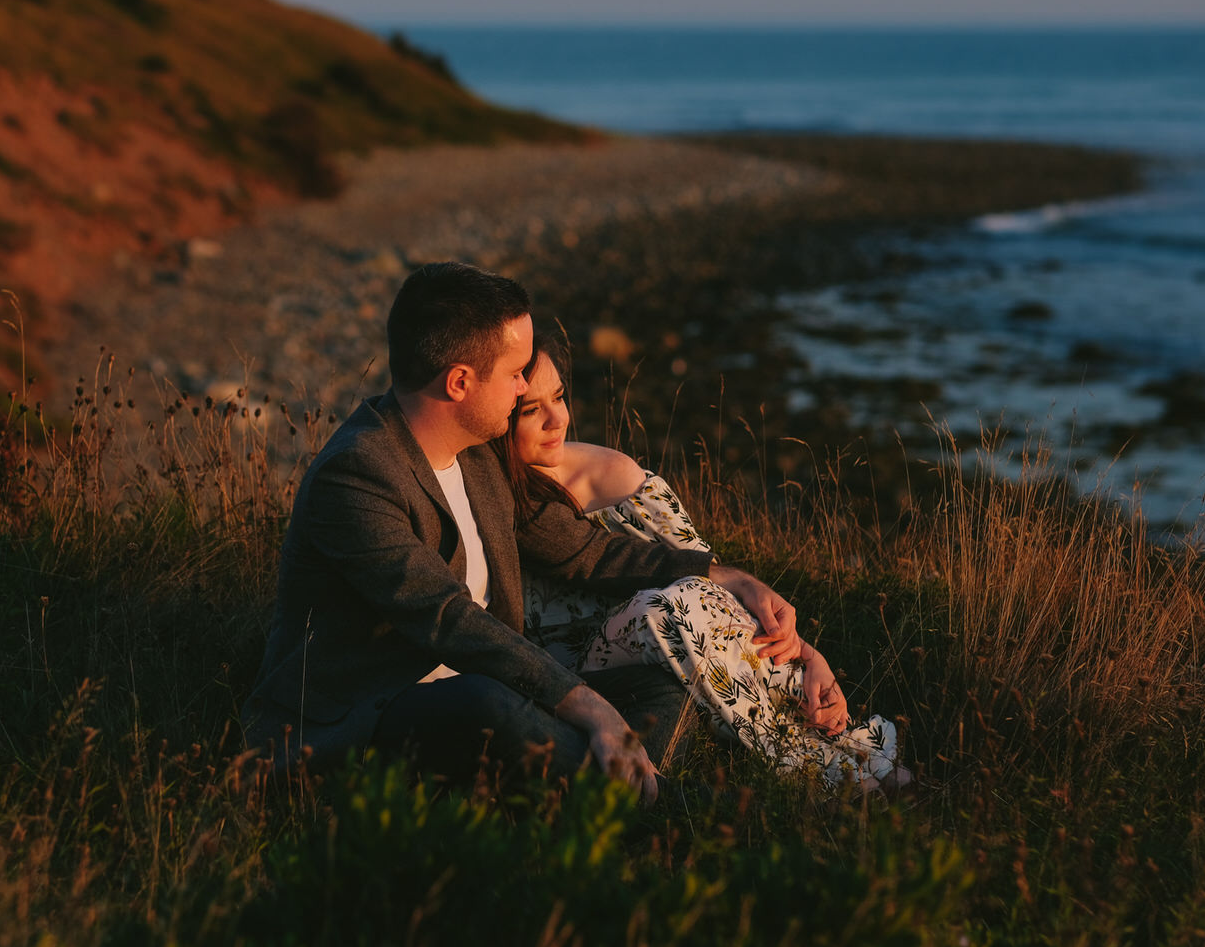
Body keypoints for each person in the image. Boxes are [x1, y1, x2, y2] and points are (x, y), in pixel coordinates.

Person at [242, 262, 804, 804]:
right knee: (482, 703)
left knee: (657, 686)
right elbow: (447, 619)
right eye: (515, 375)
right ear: (460, 381)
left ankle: (607, 797)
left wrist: (725, 575)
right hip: (361, 718)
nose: (522, 390)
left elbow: (585, 552)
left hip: (486, 695)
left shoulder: (478, 454)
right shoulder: (358, 474)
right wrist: (587, 706)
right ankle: (683, 810)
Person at [491, 326, 910, 793]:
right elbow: (615, 566)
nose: (557, 419)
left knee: (685, 599)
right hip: (574, 669)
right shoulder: (499, 494)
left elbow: (712, 592)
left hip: (662, 643)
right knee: (666, 608)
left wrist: (810, 655)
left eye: (560, 396)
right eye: (531, 410)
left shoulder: (614, 477)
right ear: (498, 414)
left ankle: (831, 724)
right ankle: (818, 772)